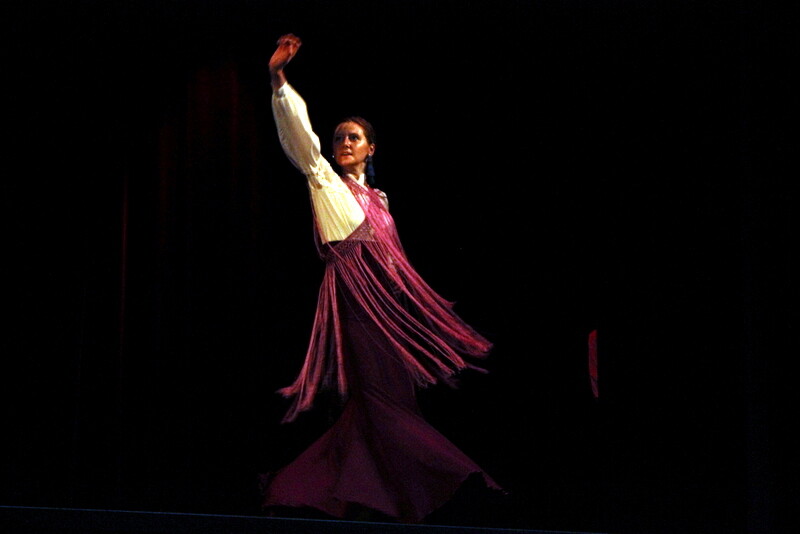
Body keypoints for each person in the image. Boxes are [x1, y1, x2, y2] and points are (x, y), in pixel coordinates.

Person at [259, 33, 502, 524]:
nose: (343, 143)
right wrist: (279, 79)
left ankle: (367, 495)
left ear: (371, 149)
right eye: (338, 138)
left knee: (387, 401)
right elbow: (302, 141)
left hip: (390, 311)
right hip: (357, 304)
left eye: (353, 137)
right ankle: (454, 477)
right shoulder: (326, 183)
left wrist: (409, 311)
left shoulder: (382, 202)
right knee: (377, 398)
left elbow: (393, 261)